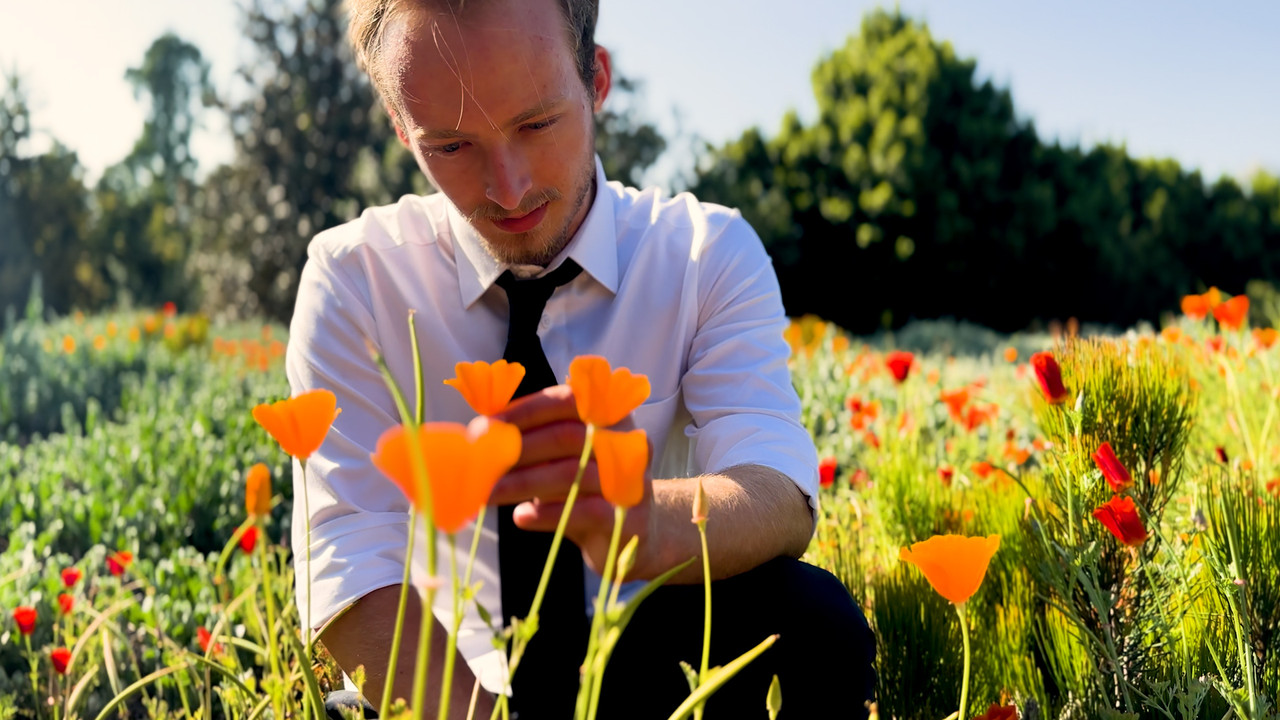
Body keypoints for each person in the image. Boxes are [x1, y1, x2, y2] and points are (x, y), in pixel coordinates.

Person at [287, 0, 876, 717]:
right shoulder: (355, 279)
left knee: (813, 616)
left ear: (596, 78)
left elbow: (780, 492)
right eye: (449, 146)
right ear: (399, 124)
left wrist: (648, 524)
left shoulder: (703, 253)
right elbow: (350, 563)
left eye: (536, 124)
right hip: (444, 686)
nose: (508, 188)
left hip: (643, 660)